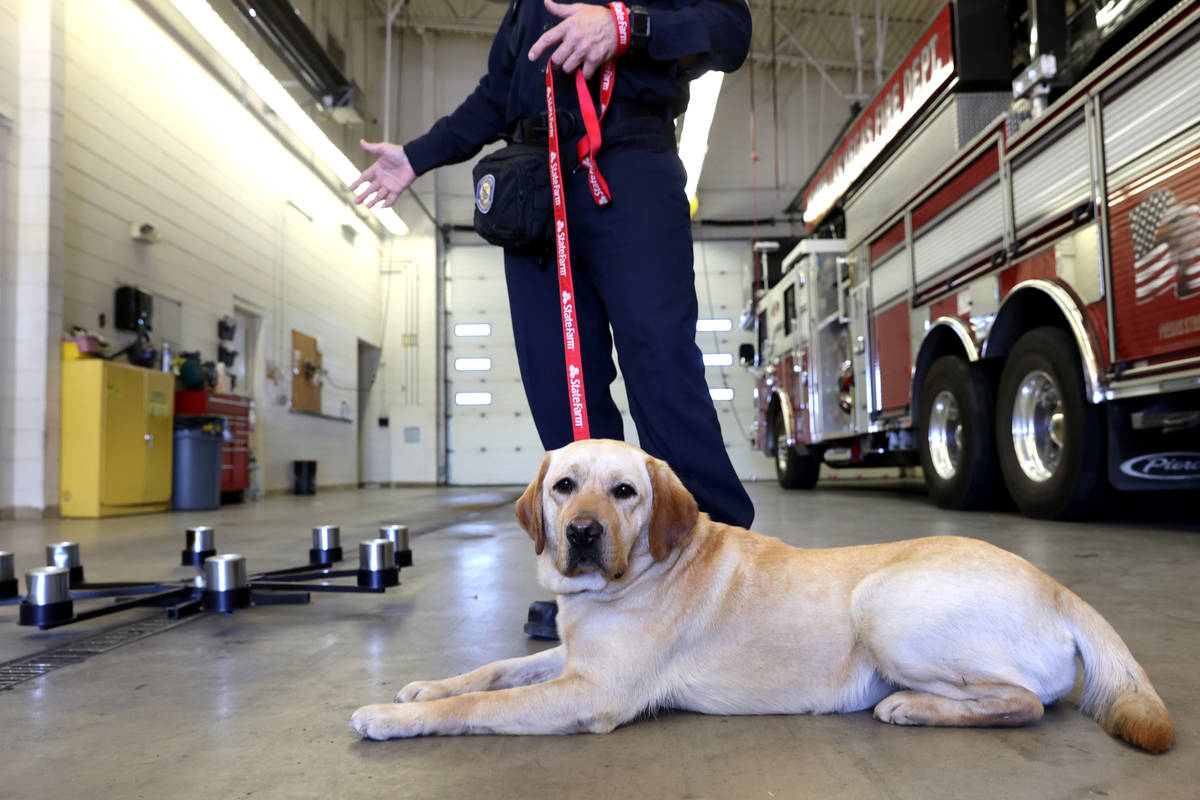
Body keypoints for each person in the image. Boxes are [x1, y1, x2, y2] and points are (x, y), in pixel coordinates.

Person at [352, 0, 755, 565]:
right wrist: (417, 156)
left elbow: (729, 28)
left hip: (629, 162)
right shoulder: (526, 8)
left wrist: (626, 25)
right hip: (534, 186)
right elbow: (497, 94)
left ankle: (714, 557)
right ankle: (594, 563)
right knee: (560, 386)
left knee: (659, 363)